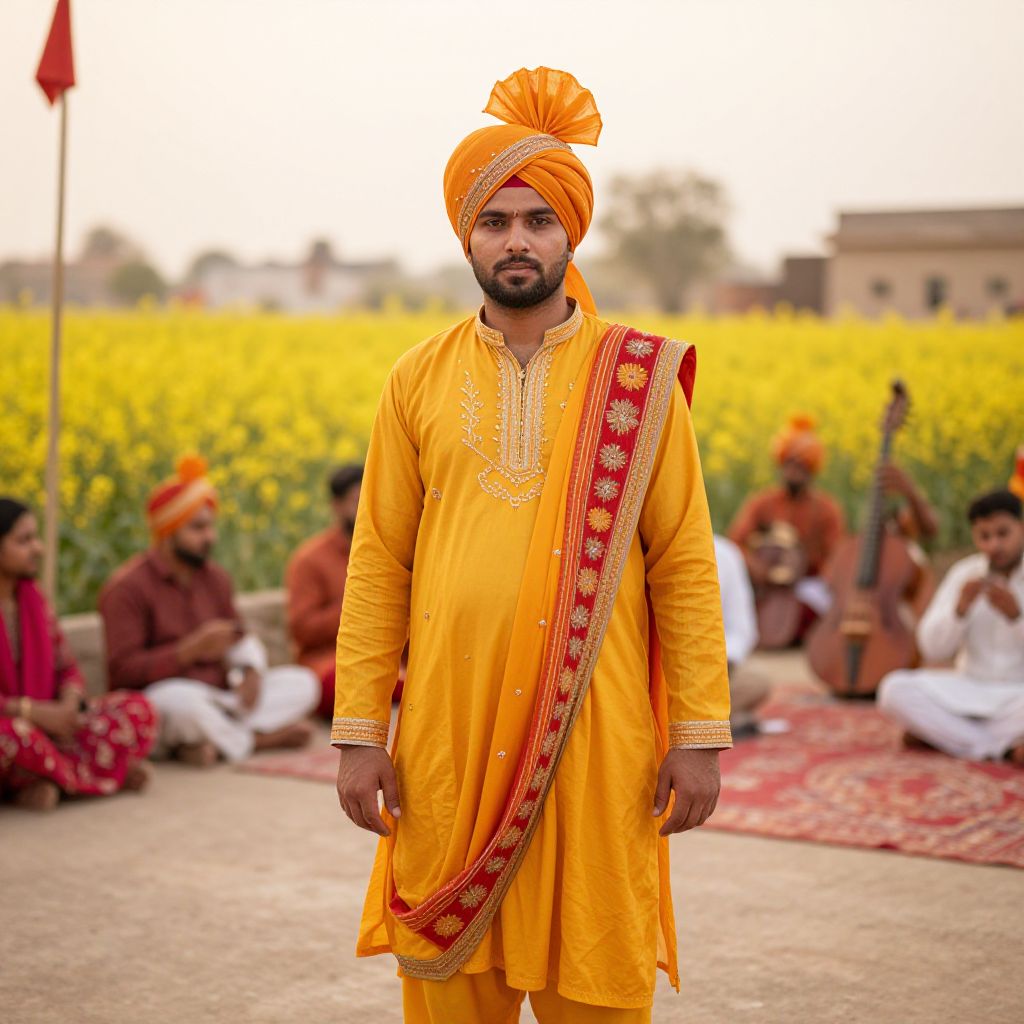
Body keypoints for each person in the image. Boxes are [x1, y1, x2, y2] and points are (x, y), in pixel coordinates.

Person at [332, 68, 731, 1024]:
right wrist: (357, 730)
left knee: (594, 972)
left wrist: (700, 735)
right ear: (467, 235)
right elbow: (380, 556)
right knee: (449, 994)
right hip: (446, 737)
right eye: (497, 221)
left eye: (539, 220)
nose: (518, 240)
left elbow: (682, 560)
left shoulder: (638, 380)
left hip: (595, 743)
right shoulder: (415, 378)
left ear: (571, 233)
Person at [99, 456, 318, 766]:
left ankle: (206, 743)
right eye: (198, 528)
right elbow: (123, 672)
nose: (210, 537)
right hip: (169, 698)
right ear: (167, 531)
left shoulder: (215, 578)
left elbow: (239, 639)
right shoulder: (126, 589)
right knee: (181, 705)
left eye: (211, 527)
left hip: (222, 696)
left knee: (303, 683)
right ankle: (257, 740)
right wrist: (187, 651)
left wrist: (250, 674)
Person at [0, 498, 156, 810]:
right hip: (14, 728)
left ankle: (51, 780)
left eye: (36, 537)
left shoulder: (33, 601)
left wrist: (69, 705)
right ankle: (95, 778)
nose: (38, 548)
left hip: (55, 730)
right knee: (11, 737)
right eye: (24, 540)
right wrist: (33, 713)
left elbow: (67, 667)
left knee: (138, 710)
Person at [877, 490, 1024, 763]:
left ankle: (951, 737)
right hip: (970, 688)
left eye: (1003, 534)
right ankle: (1000, 747)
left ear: (1021, 528)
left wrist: (1016, 617)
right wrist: (959, 611)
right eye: (985, 536)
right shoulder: (964, 574)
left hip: (1018, 695)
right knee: (893, 689)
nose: (994, 545)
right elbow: (931, 649)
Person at [728, 413, 845, 629]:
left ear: (812, 469)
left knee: (816, 611)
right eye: (790, 463)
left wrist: (800, 573)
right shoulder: (762, 502)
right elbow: (735, 544)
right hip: (763, 584)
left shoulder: (827, 508)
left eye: (802, 465)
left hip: (805, 586)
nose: (794, 472)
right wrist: (759, 569)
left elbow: (837, 557)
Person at [286, 464, 363, 718]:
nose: (366, 507)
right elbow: (303, 630)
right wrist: (359, 607)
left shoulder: (394, 552)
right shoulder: (310, 559)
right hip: (331, 664)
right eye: (356, 500)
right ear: (336, 506)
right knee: (344, 683)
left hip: (389, 662)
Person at [713, 534, 769, 733]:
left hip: (711, 669)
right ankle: (717, 720)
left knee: (757, 682)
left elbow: (742, 629)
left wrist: (720, 662)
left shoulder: (725, 553)